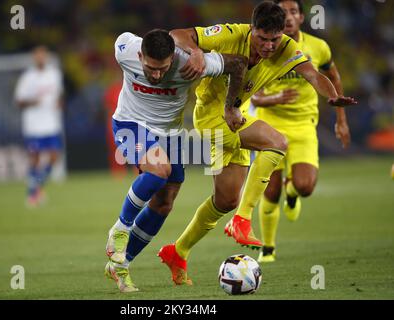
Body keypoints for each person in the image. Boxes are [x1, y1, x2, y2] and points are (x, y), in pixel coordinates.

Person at [158, 1, 357, 285]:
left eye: (274, 39)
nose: (268, 45)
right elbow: (177, 34)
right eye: (262, 38)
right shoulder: (230, 33)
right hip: (210, 118)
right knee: (276, 141)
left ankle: (178, 251)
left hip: (235, 118)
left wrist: (332, 96)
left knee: (225, 200)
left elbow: (314, 75)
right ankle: (243, 220)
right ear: (252, 30)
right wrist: (196, 53)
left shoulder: (287, 48)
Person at [105, 29, 247, 292]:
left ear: (173, 57)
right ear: (140, 55)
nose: (156, 75)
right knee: (159, 170)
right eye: (150, 68)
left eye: (163, 69)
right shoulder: (124, 48)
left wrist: (231, 105)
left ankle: (120, 264)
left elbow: (239, 64)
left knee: (164, 204)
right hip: (131, 124)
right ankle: (120, 229)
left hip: (170, 134)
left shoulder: (190, 63)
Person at [252, 0, 351, 263]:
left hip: (304, 126)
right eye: (282, 13)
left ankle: (293, 193)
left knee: (305, 186)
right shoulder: (266, 47)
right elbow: (253, 97)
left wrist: (341, 120)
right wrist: (274, 99)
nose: (288, 17)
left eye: (293, 11)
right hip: (269, 127)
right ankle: (268, 249)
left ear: (301, 17)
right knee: (270, 191)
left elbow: (334, 78)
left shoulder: (318, 47)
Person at [14, 46, 64, 207]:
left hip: (51, 122)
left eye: (43, 55)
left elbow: (59, 94)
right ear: (34, 58)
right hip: (34, 124)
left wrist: (58, 102)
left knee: (55, 157)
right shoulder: (28, 78)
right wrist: (33, 101)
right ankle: (32, 193)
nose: (41, 58)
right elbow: (19, 101)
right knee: (35, 159)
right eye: (38, 56)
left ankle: (36, 187)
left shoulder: (54, 74)